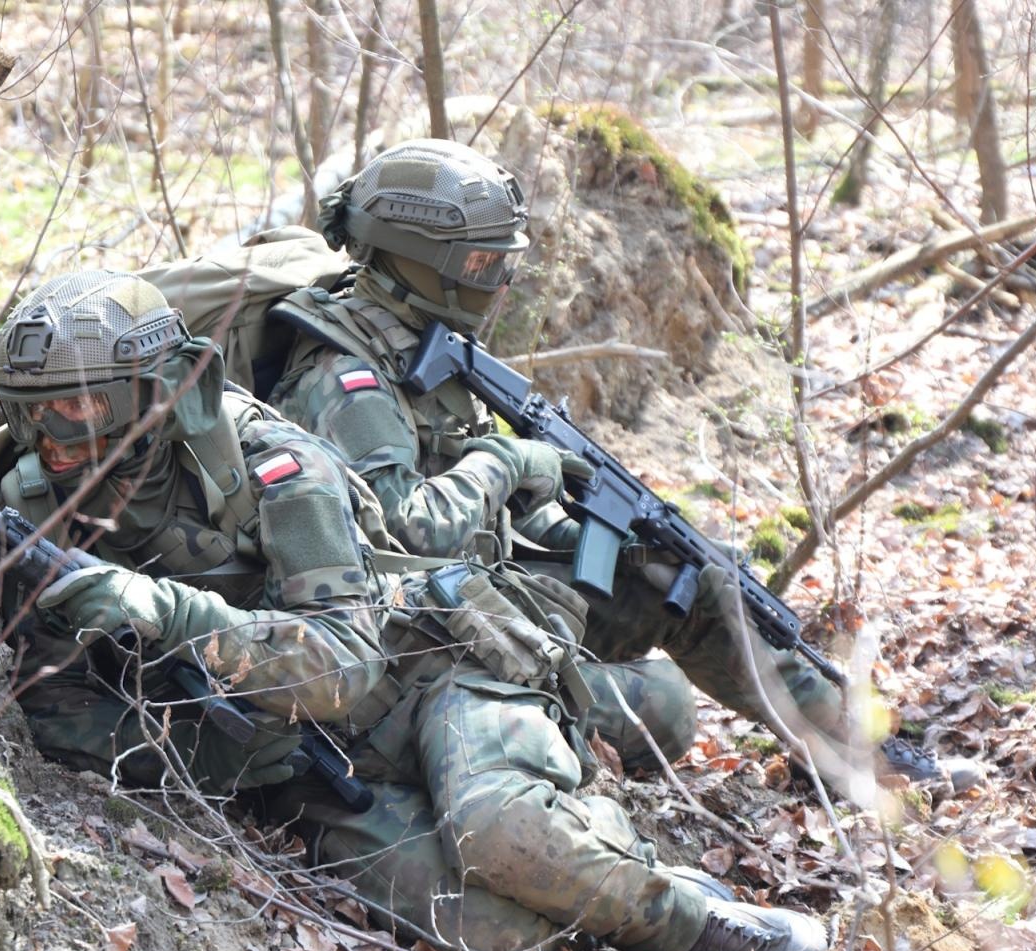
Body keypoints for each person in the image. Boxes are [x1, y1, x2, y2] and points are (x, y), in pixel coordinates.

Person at [0, 267, 826, 951]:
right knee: (501, 933)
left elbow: (345, 664)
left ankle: (699, 916)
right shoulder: (35, 507)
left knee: (501, 831)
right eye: (31, 409)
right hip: (301, 763)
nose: (51, 439)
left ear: (163, 391)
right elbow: (59, 714)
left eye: (81, 409)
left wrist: (158, 612)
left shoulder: (278, 469)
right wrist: (224, 751)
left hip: (427, 671)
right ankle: (594, 837)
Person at [261, 138, 984, 795]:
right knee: (665, 711)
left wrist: (585, 526)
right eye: (485, 265)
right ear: (419, 261)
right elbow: (403, 539)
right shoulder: (346, 381)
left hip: (482, 586)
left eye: (505, 261)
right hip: (414, 637)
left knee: (691, 577)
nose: (503, 281)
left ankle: (859, 749)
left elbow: (487, 497)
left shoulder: (422, 340)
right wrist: (509, 459)